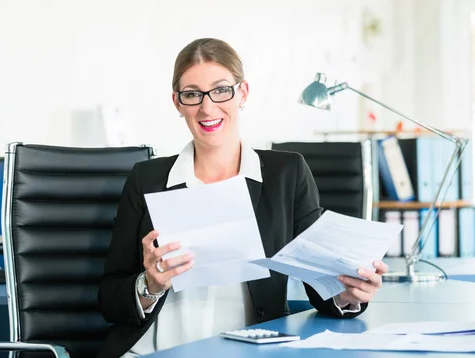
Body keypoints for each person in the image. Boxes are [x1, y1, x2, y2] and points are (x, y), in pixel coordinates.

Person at [97, 38, 388, 358]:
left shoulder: (285, 174)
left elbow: (321, 283)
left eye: (221, 89)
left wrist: (349, 293)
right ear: (178, 103)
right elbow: (110, 298)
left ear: (243, 93)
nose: (207, 107)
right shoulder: (146, 179)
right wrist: (149, 285)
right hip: (153, 352)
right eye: (192, 94)